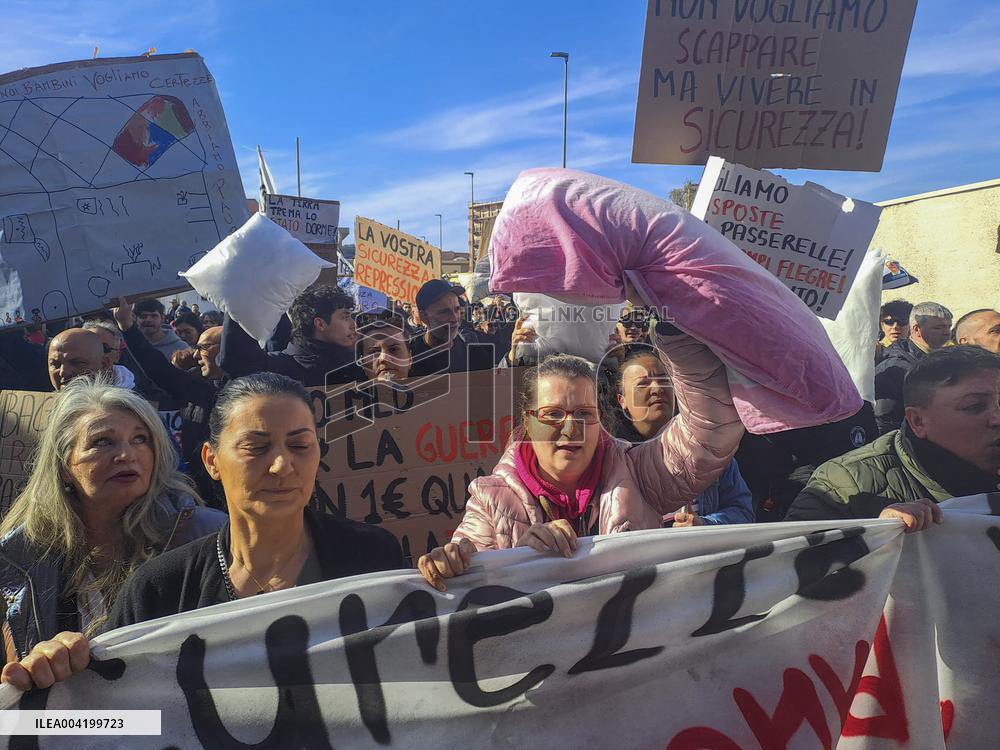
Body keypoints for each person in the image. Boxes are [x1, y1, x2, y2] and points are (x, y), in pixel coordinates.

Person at [2, 374, 403, 691]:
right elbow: (127, 724)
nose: (282, 466)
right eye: (256, 447)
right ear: (211, 460)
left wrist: (454, 573)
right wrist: (51, 687)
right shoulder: (158, 588)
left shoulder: (373, 558)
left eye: (300, 445)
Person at [417, 323, 745, 590]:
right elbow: (470, 580)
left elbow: (712, 431)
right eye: (552, 414)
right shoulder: (490, 498)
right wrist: (479, 561)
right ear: (527, 422)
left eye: (584, 414)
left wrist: (678, 327)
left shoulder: (638, 473)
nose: (570, 428)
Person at [0, 377, 225, 666]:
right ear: (64, 466)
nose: (126, 455)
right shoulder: (19, 557)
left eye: (140, 439)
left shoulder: (208, 537)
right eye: (102, 442)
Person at [786, 346, 1000, 525]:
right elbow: (789, 562)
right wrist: (874, 530)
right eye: (974, 406)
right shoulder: (845, 482)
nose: (996, 419)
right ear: (917, 421)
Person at [612, 348, 754, 526]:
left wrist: (704, 524)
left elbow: (743, 512)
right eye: (643, 384)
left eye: (664, 380)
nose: (657, 389)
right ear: (622, 400)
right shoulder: (612, 460)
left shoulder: (708, 445)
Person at [113, 299, 225, 505]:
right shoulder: (192, 385)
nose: (196, 354)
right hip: (196, 489)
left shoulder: (248, 390)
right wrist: (127, 327)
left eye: (205, 347)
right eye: (196, 348)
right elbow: (155, 366)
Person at [220, 285, 363, 386]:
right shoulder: (276, 369)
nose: (353, 324)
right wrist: (245, 289)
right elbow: (237, 363)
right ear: (320, 324)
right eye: (345, 317)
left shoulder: (357, 368)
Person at [875, 301, 953, 434]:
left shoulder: (945, 359)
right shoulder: (895, 367)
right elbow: (885, 420)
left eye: (949, 327)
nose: (946, 333)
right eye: (938, 328)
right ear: (917, 329)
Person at [407, 280, 494, 377]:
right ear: (424, 317)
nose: (454, 318)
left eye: (457, 309)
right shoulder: (408, 357)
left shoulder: (476, 356)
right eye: (444, 312)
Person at [81, 319, 171, 406]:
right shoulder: (68, 385)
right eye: (87, 347)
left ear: (117, 356)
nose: (93, 354)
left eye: (103, 348)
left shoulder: (139, 388)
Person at [46, 329, 111, 391]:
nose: (63, 372)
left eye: (77, 363)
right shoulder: (41, 401)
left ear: (104, 365)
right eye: (56, 364)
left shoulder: (118, 401)